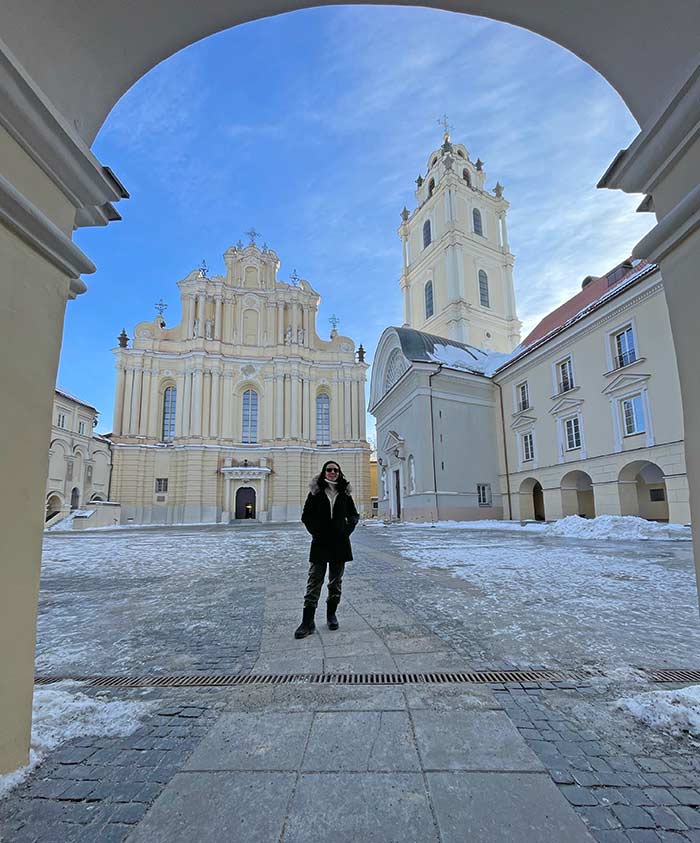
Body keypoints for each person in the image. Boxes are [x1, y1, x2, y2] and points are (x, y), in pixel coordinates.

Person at [295, 461, 360, 638]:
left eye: (336, 470)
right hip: (320, 543)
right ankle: (307, 621)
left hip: (340, 543)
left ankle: (331, 615)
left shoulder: (345, 493)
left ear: (339, 473)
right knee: (314, 580)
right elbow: (306, 516)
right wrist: (317, 532)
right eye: (329, 469)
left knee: (335, 582)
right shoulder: (316, 492)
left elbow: (354, 515)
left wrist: (346, 531)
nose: (332, 472)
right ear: (324, 472)